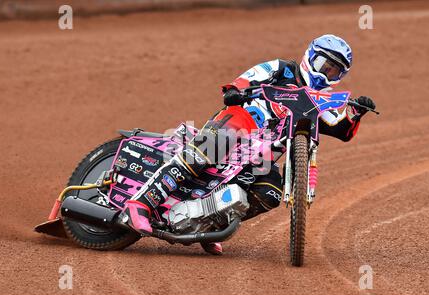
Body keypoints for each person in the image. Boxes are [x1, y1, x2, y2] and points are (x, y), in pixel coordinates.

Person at [121, 34, 376, 255]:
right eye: (324, 65)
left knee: (271, 192)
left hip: (260, 157)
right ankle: (141, 203)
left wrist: (356, 113)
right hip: (239, 124)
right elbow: (242, 82)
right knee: (210, 148)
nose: (326, 73)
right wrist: (236, 90)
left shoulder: (321, 100)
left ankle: (208, 227)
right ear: (310, 56)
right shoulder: (282, 69)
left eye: (335, 71)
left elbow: (342, 130)